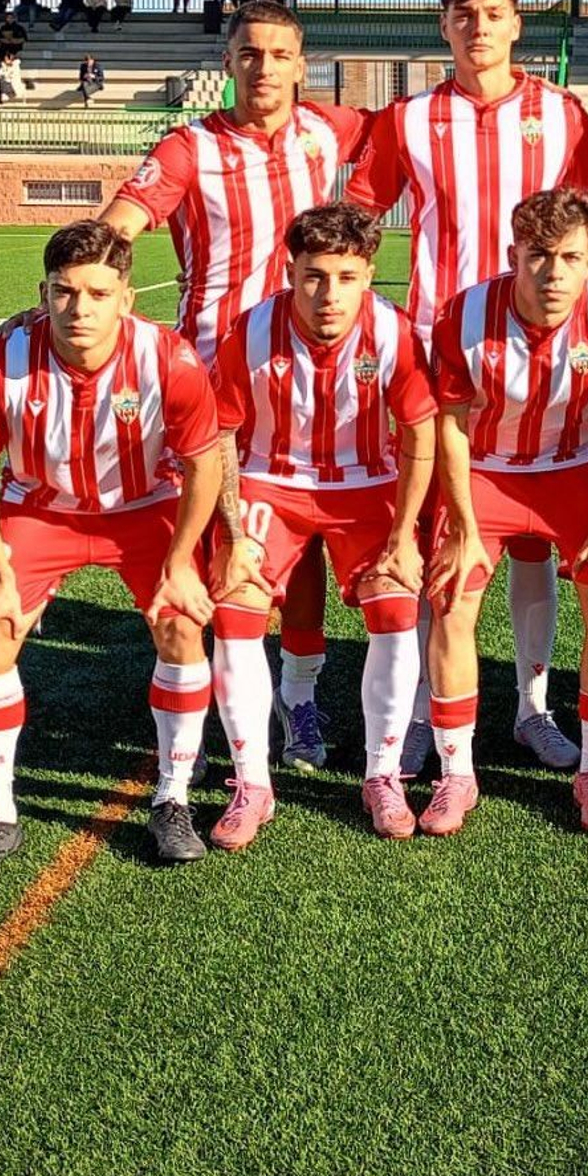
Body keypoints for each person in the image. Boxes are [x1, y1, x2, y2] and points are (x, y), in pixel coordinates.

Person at [346, 0, 588, 772]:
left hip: (541, 354)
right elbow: (358, 217)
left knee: (533, 543)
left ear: (516, 24)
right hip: (437, 349)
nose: (479, 27)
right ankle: (429, 711)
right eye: (465, 14)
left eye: (494, 13)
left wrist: (584, 340)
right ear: (445, 26)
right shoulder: (409, 118)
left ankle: (533, 707)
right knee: (440, 538)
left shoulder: (562, 115)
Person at [104, 0, 377, 749]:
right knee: (217, 537)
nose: (265, 67)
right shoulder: (191, 147)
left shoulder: (332, 128)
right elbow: (122, 221)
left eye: (280, 54)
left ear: (302, 63)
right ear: (228, 63)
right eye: (250, 53)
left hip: (306, 369)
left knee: (307, 531)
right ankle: (216, 683)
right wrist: (91, 281)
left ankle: (297, 696)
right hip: (209, 374)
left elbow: (422, 134)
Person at [0, 221, 221, 885]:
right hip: (39, 509)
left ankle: (172, 800)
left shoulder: (168, 360)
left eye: (98, 293)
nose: (80, 309)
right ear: (43, 293)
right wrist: (0, 573)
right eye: (65, 292)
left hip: (145, 508)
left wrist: (181, 562)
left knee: (182, 625)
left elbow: (205, 465)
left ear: (126, 296)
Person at [208, 203, 435, 849]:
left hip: (367, 486)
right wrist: (232, 531)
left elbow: (419, 436)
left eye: (346, 276)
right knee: (236, 610)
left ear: (369, 274)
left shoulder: (393, 333)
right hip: (269, 484)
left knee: (396, 610)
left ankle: (382, 775)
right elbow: (221, 434)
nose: (329, 294)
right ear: (290, 271)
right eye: (313, 276)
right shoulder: (251, 331)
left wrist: (403, 536)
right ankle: (254, 783)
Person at [424, 189, 588, 835]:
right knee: (452, 596)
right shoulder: (465, 315)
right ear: (513, 254)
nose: (554, 274)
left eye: (571, 258)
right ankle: (456, 773)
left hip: (572, 469)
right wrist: (463, 528)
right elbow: (452, 426)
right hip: (486, 470)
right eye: (540, 257)